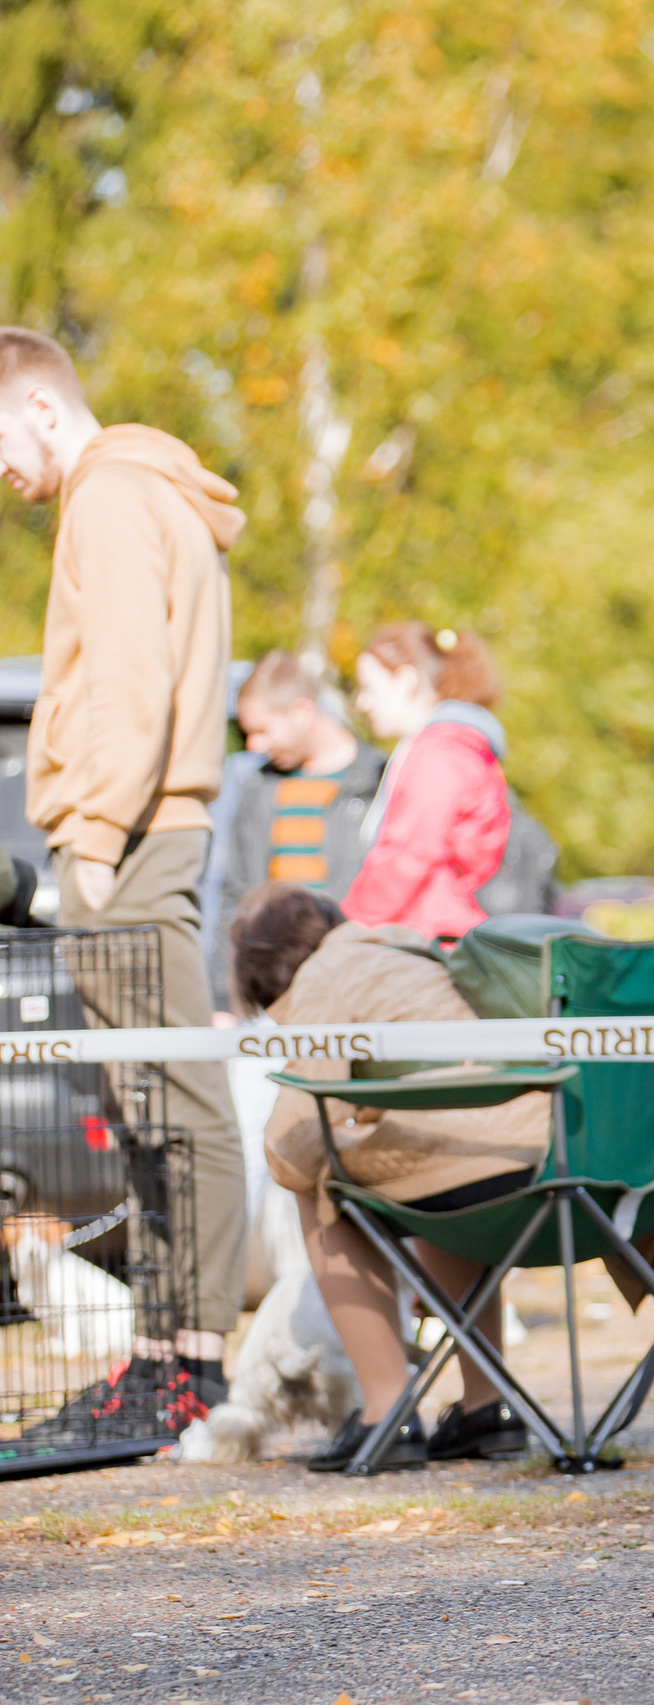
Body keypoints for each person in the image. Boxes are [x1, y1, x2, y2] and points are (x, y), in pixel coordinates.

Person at [0, 326, 246, 1428]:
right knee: (146, 1099)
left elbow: (130, 683)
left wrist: (94, 835)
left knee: (172, 1100)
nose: (2, 474)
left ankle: (187, 1370)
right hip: (143, 828)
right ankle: (160, 1359)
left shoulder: (109, 495)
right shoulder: (146, 490)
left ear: (41, 408)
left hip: (131, 834)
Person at [229, 883, 546, 1470]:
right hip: (535, 1162)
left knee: (315, 1183)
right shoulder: (414, 953)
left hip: (465, 1173)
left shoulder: (324, 975)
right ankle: (487, 1403)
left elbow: (299, 1132)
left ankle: (386, 1409)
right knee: (432, 1173)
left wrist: (288, 1155)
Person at [210, 651, 388, 1014]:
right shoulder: (258, 787)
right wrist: (224, 1001)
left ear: (302, 712)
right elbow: (236, 895)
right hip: (273, 992)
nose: (253, 745)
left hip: (354, 982)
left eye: (263, 730)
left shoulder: (376, 780)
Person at [342, 623, 511, 940]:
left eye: (368, 687)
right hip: (431, 935)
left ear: (406, 681)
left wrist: (350, 926)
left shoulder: (438, 756)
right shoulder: (450, 748)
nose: (362, 703)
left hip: (428, 941)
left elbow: (408, 856)